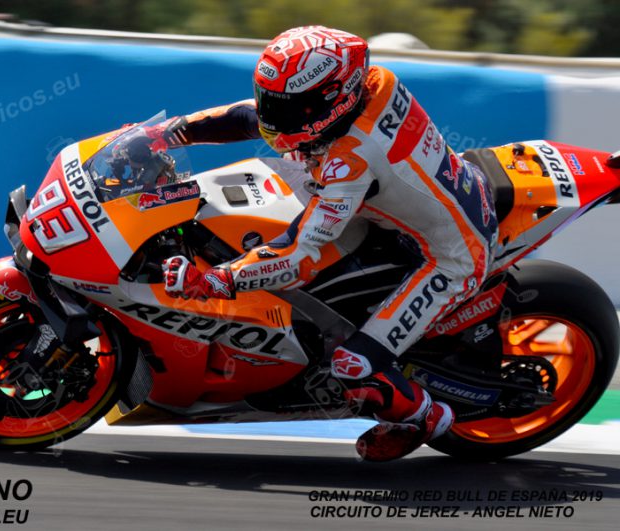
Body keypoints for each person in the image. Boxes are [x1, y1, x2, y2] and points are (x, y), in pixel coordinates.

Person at [149, 26, 497, 461]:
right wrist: (169, 134)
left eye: (291, 107)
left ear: (337, 96)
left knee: (354, 367)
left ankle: (425, 418)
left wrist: (219, 281)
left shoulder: (350, 161)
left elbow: (299, 257)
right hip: (390, 208)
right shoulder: (371, 83)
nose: (274, 117)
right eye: (271, 99)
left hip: (450, 256)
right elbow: (249, 117)